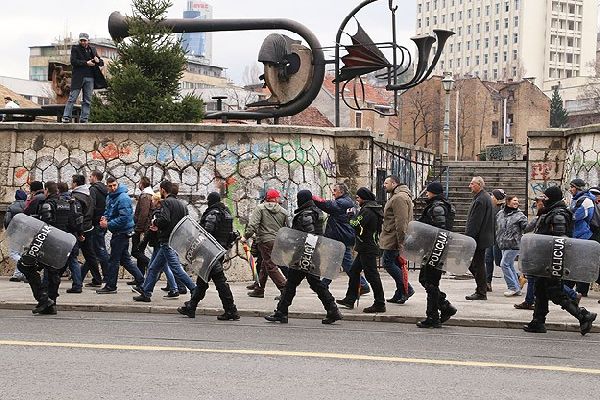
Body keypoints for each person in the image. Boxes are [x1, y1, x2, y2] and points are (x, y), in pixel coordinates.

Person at [523, 185, 597, 335]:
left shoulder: (558, 215)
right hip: (545, 259)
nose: (543, 200)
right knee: (541, 290)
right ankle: (538, 322)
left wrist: (553, 261)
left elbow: (560, 240)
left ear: (552, 198)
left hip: (553, 260)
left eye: (546, 197)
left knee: (555, 292)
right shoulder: (551, 212)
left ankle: (583, 316)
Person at [265, 190, 343, 325]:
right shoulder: (315, 211)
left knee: (302, 284)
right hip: (309, 254)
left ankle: (282, 313)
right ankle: (331, 310)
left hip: (305, 254)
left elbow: (309, 235)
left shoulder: (306, 214)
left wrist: (299, 250)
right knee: (301, 284)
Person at [18, 181, 82, 315]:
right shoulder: (67, 204)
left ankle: (44, 299)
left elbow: (46, 227)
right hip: (63, 244)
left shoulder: (48, 205)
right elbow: (74, 224)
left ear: (47, 190)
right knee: (53, 273)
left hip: (49, 243)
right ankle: (51, 304)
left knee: (25, 265)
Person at [178, 192, 240, 320]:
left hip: (211, 252)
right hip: (220, 251)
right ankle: (191, 306)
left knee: (219, 281)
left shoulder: (213, 214)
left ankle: (231, 310)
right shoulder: (226, 213)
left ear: (211, 201)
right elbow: (230, 234)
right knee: (202, 280)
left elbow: (205, 233)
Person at [133, 180, 196, 302]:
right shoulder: (182, 205)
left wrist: (155, 222)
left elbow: (165, 220)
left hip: (167, 241)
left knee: (176, 268)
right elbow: (186, 223)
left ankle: (194, 289)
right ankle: (146, 293)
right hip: (174, 241)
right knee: (153, 268)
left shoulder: (166, 202)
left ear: (162, 190)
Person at [312, 183, 370, 294]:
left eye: (335, 190)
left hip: (341, 237)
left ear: (341, 192)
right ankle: (324, 285)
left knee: (347, 264)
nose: (333, 192)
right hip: (342, 236)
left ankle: (363, 284)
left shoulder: (343, 202)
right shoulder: (346, 201)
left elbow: (328, 205)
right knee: (334, 261)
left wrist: (314, 198)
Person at [336, 187, 386, 313]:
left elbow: (355, 224)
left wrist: (350, 216)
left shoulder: (368, 211)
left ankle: (380, 303)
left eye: (358, 198)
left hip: (367, 247)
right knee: (354, 271)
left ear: (363, 198)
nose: (357, 201)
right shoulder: (371, 208)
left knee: (372, 275)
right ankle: (350, 298)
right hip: (366, 246)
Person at [415, 182, 458, 328]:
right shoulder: (438, 205)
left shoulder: (438, 207)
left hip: (436, 249)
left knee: (431, 282)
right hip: (433, 248)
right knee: (425, 279)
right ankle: (445, 306)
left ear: (433, 192)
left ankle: (433, 316)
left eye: (428, 191)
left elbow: (441, 229)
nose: (426, 193)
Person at [96, 177, 144, 294]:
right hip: (118, 232)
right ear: (107, 186)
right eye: (110, 186)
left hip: (122, 233)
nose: (112, 188)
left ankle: (111, 286)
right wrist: (105, 217)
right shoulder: (110, 197)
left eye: (114, 185)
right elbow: (108, 210)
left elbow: (125, 218)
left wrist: (108, 224)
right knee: (125, 260)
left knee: (114, 260)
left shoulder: (123, 198)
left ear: (118, 185)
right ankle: (141, 280)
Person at [242, 189, 288, 298]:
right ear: (276, 198)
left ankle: (284, 289)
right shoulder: (283, 211)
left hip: (265, 241)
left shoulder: (260, 208)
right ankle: (259, 289)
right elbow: (286, 228)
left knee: (270, 266)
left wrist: (245, 237)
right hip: (278, 241)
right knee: (264, 265)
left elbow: (253, 225)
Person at [379, 175, 415, 304]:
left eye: (386, 183)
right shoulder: (398, 196)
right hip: (393, 236)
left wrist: (401, 241)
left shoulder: (399, 198)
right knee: (395, 264)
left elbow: (401, 221)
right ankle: (400, 292)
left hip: (394, 237)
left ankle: (407, 289)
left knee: (388, 263)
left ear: (394, 184)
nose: (384, 185)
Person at [61, 33, 106, 123]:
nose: (83, 42)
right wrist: (86, 63)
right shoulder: (75, 49)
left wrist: (98, 61)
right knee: (72, 98)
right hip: (78, 78)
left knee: (87, 100)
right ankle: (66, 117)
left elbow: (101, 62)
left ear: (88, 40)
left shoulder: (92, 49)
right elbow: (73, 61)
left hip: (90, 78)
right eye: (81, 40)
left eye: (84, 40)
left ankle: (84, 119)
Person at [464, 176, 495, 301]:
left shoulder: (481, 200)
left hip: (478, 238)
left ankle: (481, 291)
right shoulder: (483, 197)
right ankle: (482, 288)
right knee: (475, 264)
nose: (469, 186)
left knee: (477, 264)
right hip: (481, 237)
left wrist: (469, 239)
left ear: (479, 185)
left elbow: (475, 222)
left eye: (472, 184)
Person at [564, 178, 595, 297]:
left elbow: (576, 216)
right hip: (577, 235)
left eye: (572, 187)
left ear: (578, 188)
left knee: (580, 264)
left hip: (582, 236)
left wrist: (567, 212)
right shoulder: (577, 199)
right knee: (573, 263)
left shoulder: (584, 201)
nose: (571, 189)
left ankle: (581, 290)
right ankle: (571, 287)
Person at [495, 195, 528, 297]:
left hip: (514, 243)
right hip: (503, 243)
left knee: (504, 264)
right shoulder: (500, 213)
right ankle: (517, 288)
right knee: (509, 265)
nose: (516, 202)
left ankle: (512, 287)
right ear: (508, 202)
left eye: (517, 201)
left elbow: (526, 227)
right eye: (514, 200)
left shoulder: (520, 215)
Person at [84, 170, 108, 286]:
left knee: (98, 250)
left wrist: (88, 220)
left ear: (94, 177)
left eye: (90, 176)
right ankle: (83, 275)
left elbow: (91, 206)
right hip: (103, 221)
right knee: (94, 250)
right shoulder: (105, 189)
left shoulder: (93, 189)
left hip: (95, 223)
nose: (89, 178)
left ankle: (107, 276)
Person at [130, 176, 154, 279]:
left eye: (139, 183)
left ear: (142, 184)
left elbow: (143, 214)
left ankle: (151, 266)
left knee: (135, 251)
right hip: (144, 227)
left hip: (141, 228)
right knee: (140, 251)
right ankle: (139, 278)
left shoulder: (145, 196)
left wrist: (138, 229)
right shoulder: (148, 195)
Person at [5, 189, 28, 282]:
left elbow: (7, 220)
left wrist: (9, 231)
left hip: (15, 232)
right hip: (26, 232)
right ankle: (18, 274)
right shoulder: (27, 205)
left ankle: (24, 268)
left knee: (13, 253)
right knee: (21, 252)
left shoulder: (12, 206)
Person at [485, 189, 505, 292]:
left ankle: (519, 277)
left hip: (498, 239)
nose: (491, 197)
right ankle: (487, 283)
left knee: (499, 261)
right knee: (488, 259)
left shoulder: (503, 209)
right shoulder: (491, 207)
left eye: (493, 196)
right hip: (490, 237)